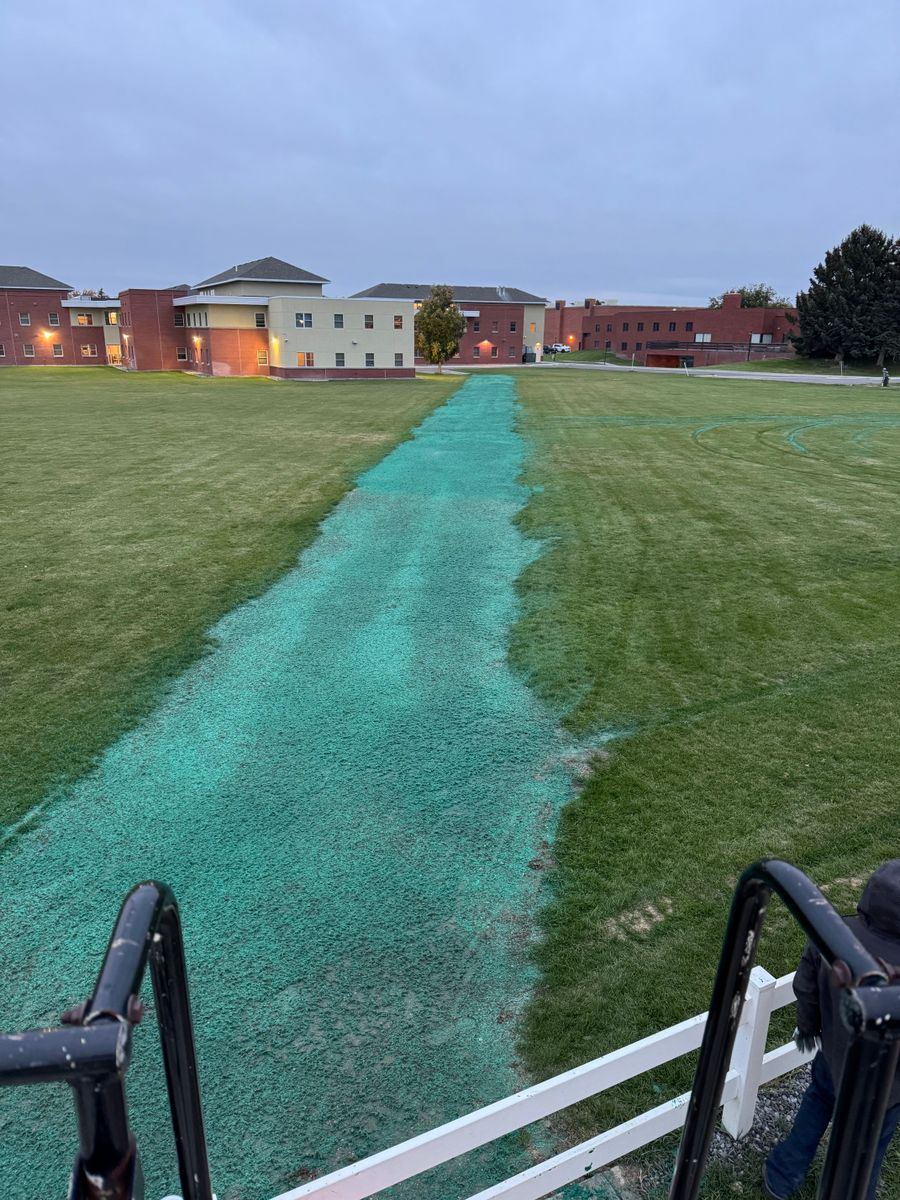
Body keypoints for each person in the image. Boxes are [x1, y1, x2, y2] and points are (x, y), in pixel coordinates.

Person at [764, 860, 900, 1199]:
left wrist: (808, 1028)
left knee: (817, 1104)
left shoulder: (836, 934)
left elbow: (806, 984)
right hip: (885, 1086)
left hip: (833, 1054)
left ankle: (781, 1175)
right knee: (866, 1152)